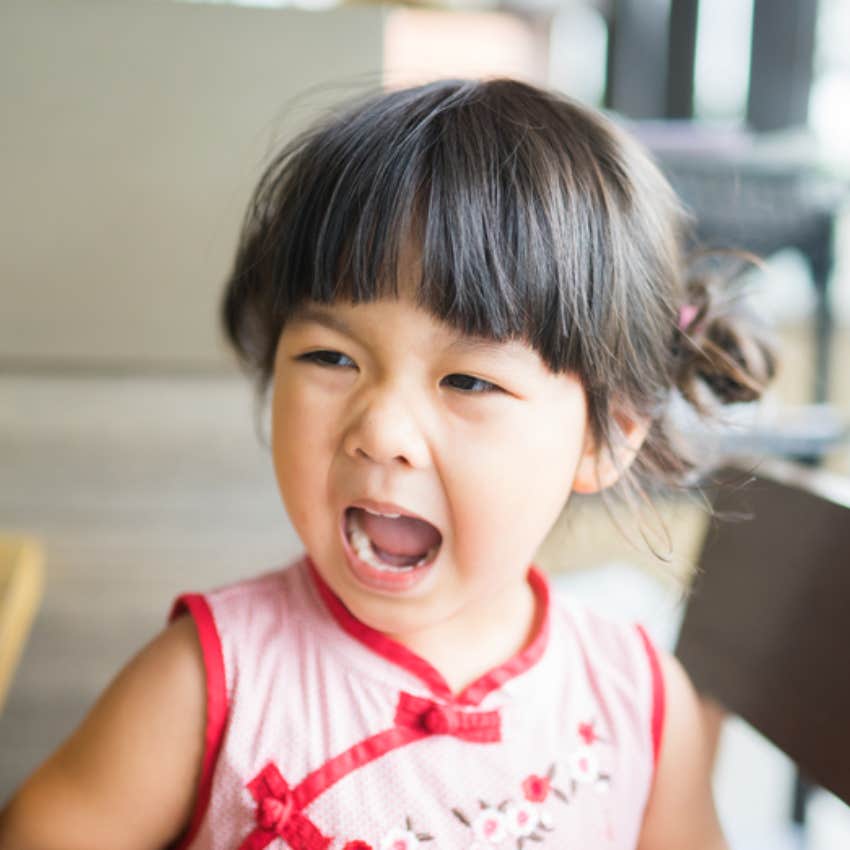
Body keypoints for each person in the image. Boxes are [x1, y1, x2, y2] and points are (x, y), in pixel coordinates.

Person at [0, 78, 775, 850]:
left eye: (468, 380)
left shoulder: (636, 702)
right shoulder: (210, 683)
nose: (380, 431)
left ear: (606, 436)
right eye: (332, 356)